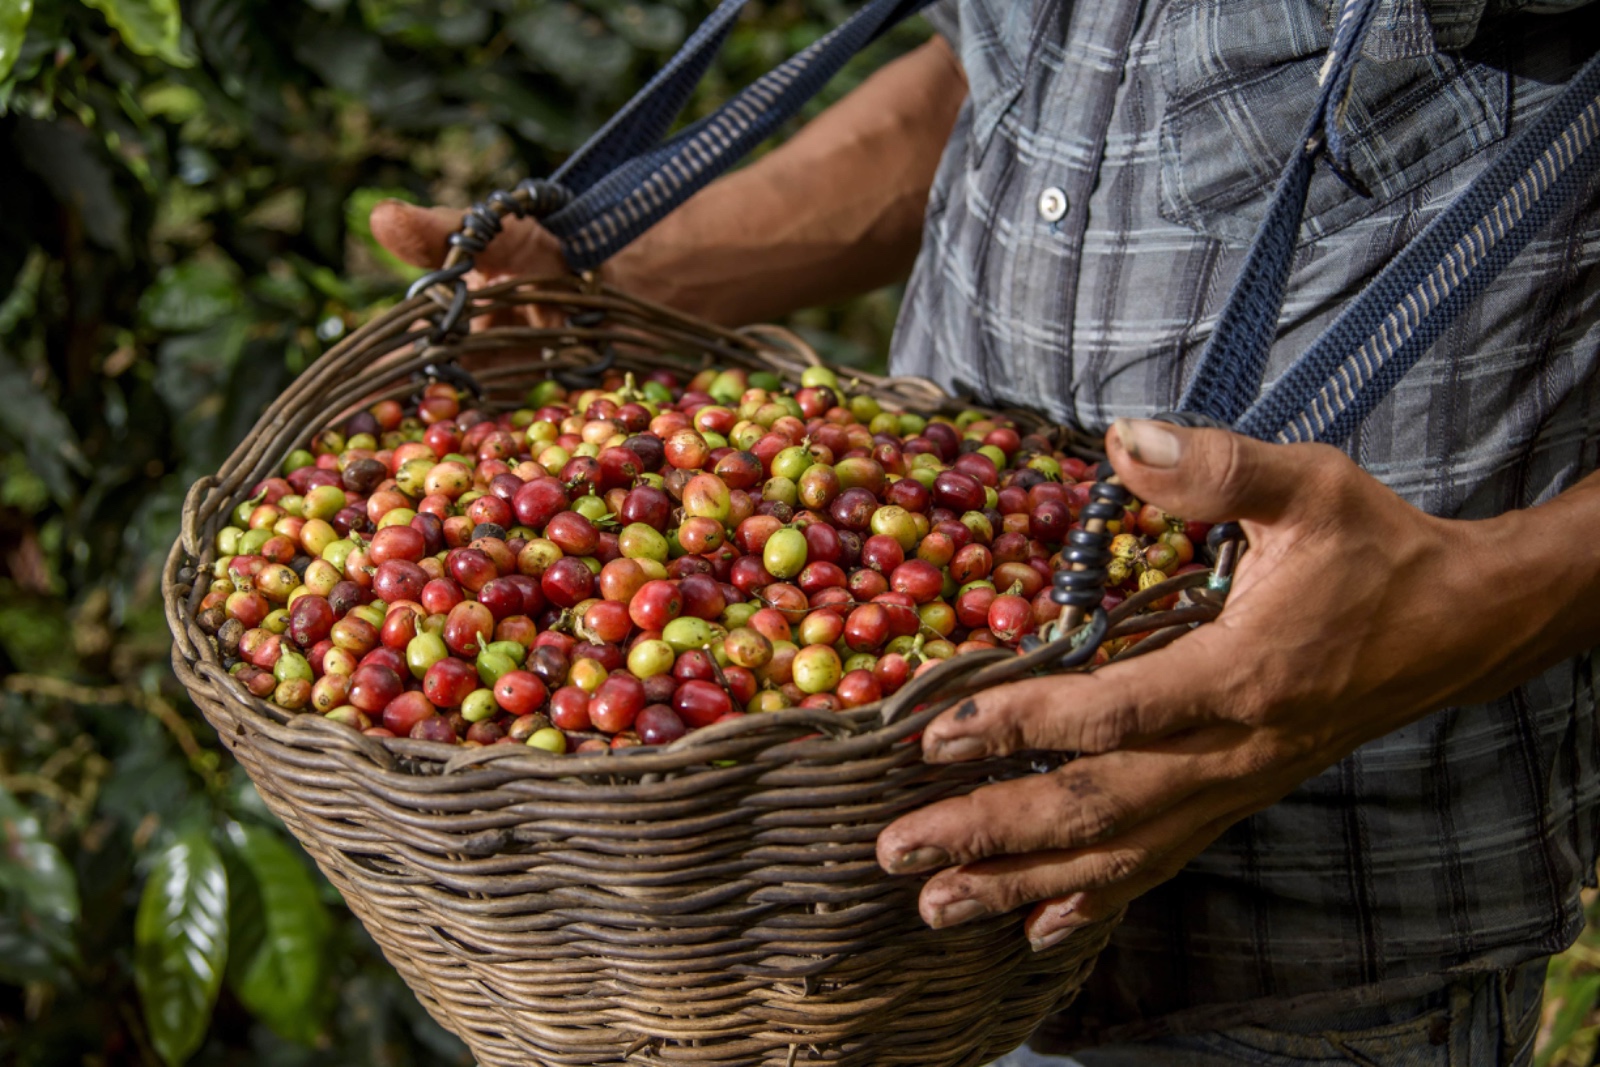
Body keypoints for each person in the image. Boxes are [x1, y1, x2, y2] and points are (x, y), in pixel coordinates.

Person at [371, 0, 1600, 1062]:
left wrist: (1470, 599)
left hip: (1316, 924)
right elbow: (1024, 82)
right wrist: (623, 282)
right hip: (845, 893)